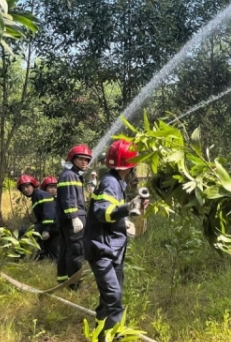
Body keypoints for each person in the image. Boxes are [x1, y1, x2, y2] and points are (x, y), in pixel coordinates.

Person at [84, 140, 149, 339]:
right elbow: (103, 212)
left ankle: (103, 335)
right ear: (130, 165)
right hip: (102, 249)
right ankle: (113, 336)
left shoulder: (116, 182)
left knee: (109, 298)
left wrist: (126, 221)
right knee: (114, 298)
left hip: (112, 247)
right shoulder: (110, 183)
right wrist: (127, 208)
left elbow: (111, 215)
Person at [57, 144, 92, 286]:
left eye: (87, 160)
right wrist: (75, 218)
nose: (84, 162)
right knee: (76, 251)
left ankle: (63, 280)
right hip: (73, 221)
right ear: (73, 159)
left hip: (67, 221)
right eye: (81, 159)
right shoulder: (70, 175)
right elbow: (69, 199)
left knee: (66, 250)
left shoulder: (71, 175)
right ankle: (75, 284)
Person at [17, 174, 60, 261]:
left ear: (33, 185)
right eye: (23, 188)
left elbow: (49, 213)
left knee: (23, 231)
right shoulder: (37, 196)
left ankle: (19, 258)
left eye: (27, 186)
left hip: (52, 226)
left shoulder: (40, 195)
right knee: (54, 256)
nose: (25, 189)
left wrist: (46, 230)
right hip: (55, 227)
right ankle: (43, 259)